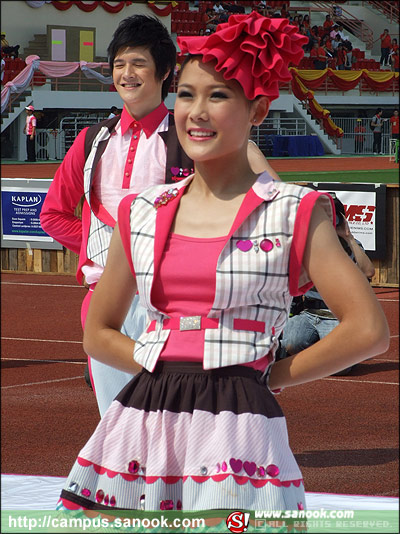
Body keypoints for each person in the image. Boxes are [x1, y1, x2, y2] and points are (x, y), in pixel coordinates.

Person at [56, 12, 389, 514]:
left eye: (218, 96)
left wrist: (266, 376)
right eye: (187, 95)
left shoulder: (293, 210)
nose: (197, 112)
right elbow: (97, 331)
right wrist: (160, 366)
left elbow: (368, 330)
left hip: (238, 425)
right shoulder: (142, 211)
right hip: (140, 424)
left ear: (257, 110)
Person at [40, 14, 280, 418]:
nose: (126, 74)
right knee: (117, 420)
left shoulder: (188, 135)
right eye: (118, 64)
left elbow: (252, 184)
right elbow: (53, 215)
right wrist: (114, 250)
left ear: (165, 72)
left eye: (138, 64)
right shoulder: (91, 141)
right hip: (105, 303)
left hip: (173, 304)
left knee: (178, 418)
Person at [280, 195, 376, 376]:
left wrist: (349, 238)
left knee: (341, 369)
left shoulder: (349, 246)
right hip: (309, 313)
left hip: (336, 316)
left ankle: (347, 352)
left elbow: (369, 272)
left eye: (331, 217)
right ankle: (327, 351)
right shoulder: (305, 244)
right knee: (292, 343)